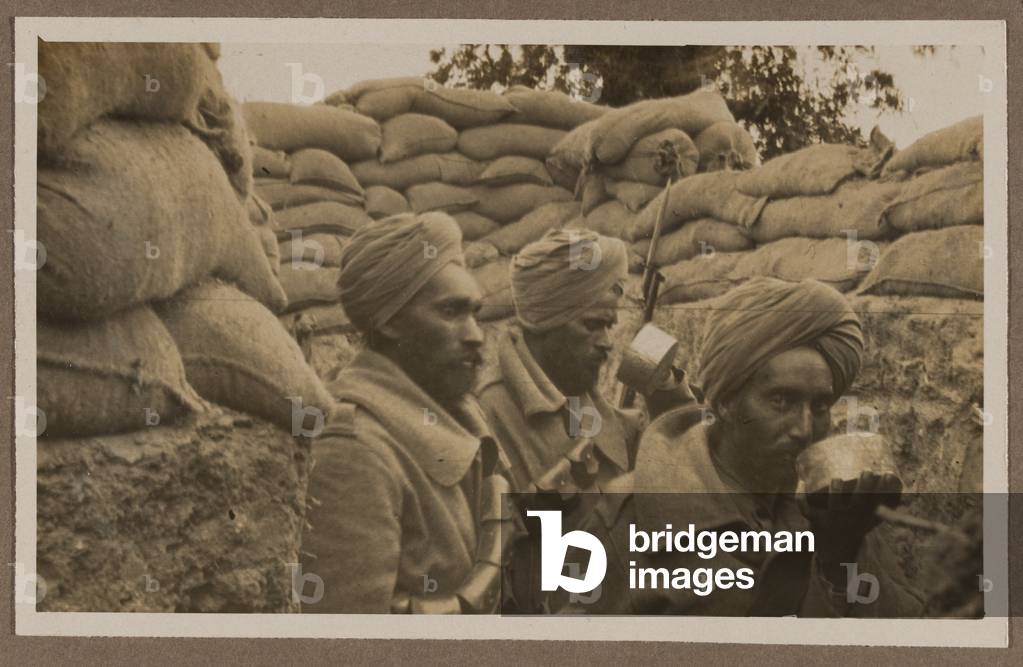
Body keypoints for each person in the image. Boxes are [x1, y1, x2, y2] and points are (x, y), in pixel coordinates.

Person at [566, 278, 925, 616]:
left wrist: (843, 553)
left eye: (820, 407)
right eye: (781, 401)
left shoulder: (838, 511)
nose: (804, 430)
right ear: (725, 403)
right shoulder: (627, 517)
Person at [300, 212, 513, 614]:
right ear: (390, 322)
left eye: (475, 313)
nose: (475, 335)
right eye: (450, 312)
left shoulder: (460, 418)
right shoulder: (354, 452)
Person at [476, 229, 696, 496]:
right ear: (548, 323)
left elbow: (660, 459)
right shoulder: (489, 413)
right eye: (592, 325)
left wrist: (666, 388)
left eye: (608, 327)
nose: (607, 343)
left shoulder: (571, 385)